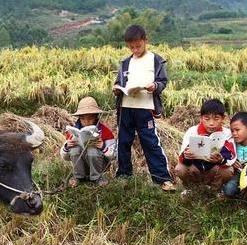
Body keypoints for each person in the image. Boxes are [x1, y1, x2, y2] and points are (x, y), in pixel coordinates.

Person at [112, 24, 175, 191]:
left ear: (145, 41)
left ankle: (162, 178)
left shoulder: (155, 60)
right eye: (131, 47)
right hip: (126, 107)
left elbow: (162, 81)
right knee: (124, 141)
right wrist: (117, 89)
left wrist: (155, 86)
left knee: (150, 142)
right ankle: (124, 174)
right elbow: (119, 82)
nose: (135, 49)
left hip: (145, 108)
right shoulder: (125, 63)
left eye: (138, 46)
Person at [175, 99, 236, 193]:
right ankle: (192, 189)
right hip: (195, 168)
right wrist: (186, 155)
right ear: (201, 118)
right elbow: (182, 155)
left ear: (223, 118)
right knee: (180, 169)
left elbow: (231, 156)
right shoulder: (192, 131)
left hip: (214, 169)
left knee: (228, 171)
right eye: (207, 119)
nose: (211, 123)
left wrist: (221, 159)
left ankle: (215, 191)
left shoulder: (226, 134)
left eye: (216, 118)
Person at [60, 97, 116, 188]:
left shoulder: (105, 131)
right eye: (83, 119)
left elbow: (114, 155)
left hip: (99, 165)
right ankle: (79, 177)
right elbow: (65, 157)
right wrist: (66, 147)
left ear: (96, 117)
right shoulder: (73, 132)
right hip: (81, 165)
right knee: (74, 149)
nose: (86, 122)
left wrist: (103, 147)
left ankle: (97, 178)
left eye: (90, 118)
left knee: (92, 150)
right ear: (79, 118)